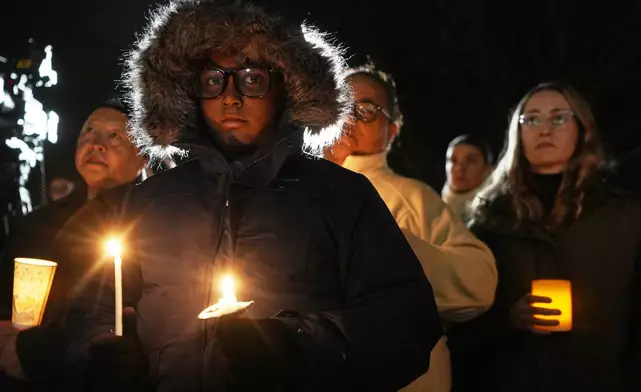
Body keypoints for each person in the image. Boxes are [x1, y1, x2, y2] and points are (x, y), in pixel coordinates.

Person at [61, 1, 442, 391]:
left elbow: (405, 318)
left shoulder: (339, 195)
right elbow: (90, 312)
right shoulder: (146, 202)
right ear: (187, 91)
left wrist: (296, 346)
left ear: (285, 86)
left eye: (251, 78)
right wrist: (96, 352)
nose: (231, 97)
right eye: (212, 79)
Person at [450, 82, 641, 392]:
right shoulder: (489, 220)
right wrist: (507, 319)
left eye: (558, 118)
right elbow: (462, 318)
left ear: (583, 129)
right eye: (532, 119)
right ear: (518, 134)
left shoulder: (627, 216)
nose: (544, 129)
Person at [324, 63, 497, 392]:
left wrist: (392, 249)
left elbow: (479, 283)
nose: (350, 117)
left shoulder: (413, 196)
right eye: (341, 103)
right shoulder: (290, 186)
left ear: (391, 130)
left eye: (366, 109)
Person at [0, 97, 147, 388]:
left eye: (115, 136)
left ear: (144, 154)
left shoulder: (156, 224)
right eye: (88, 132)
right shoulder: (39, 223)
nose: (96, 144)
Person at [441, 135, 493, 220]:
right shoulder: (428, 212)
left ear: (488, 170)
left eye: (470, 161)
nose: (460, 168)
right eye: (453, 160)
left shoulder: (495, 218)